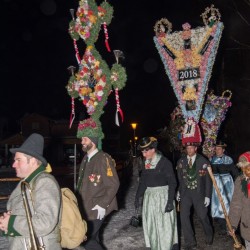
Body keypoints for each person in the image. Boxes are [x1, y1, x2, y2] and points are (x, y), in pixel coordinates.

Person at [0, 133, 62, 250]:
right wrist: (7, 224)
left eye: (18, 160)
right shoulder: (28, 181)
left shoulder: (44, 182)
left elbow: (45, 222)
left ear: (33, 161)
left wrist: (12, 223)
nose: (13, 165)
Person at [76, 136, 120, 250]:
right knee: (93, 239)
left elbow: (113, 184)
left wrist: (102, 204)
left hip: (97, 207)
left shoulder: (103, 158)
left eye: (85, 139)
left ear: (93, 141)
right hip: (86, 207)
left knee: (86, 239)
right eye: (82, 139)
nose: (82, 142)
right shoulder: (86, 158)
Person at [134, 136, 178, 250]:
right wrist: (138, 196)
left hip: (163, 198)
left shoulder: (164, 163)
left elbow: (172, 183)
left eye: (146, 151)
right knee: (152, 226)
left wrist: (170, 201)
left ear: (153, 149)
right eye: (142, 151)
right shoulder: (145, 163)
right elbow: (143, 182)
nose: (144, 154)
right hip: (150, 199)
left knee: (164, 227)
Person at [176, 142, 213, 250]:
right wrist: (178, 191)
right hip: (185, 193)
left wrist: (207, 196)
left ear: (195, 148)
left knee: (203, 216)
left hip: (199, 193)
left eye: (191, 148)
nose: (189, 150)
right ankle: (190, 242)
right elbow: (180, 179)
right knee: (184, 216)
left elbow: (208, 181)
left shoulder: (203, 161)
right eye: (187, 148)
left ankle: (209, 234)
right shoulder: (181, 161)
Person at [210, 140, 238, 235]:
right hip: (216, 184)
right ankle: (222, 226)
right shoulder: (212, 159)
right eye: (216, 149)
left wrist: (239, 183)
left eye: (219, 149)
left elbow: (235, 172)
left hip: (227, 184)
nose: (217, 150)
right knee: (218, 205)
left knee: (227, 204)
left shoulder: (228, 159)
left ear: (223, 150)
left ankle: (230, 226)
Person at [229, 151, 250, 250]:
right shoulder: (241, 180)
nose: (244, 171)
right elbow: (236, 204)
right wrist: (232, 224)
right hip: (248, 226)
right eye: (243, 168)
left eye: (247, 167)